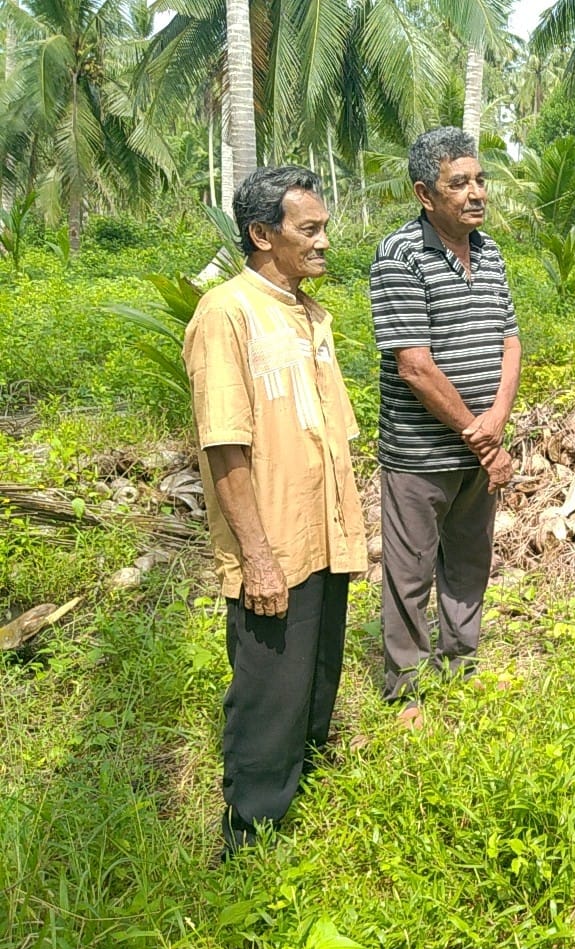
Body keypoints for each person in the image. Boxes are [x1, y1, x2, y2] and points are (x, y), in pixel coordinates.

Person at [182, 165, 368, 856]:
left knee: (315, 673)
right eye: (309, 229)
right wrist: (257, 555)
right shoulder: (227, 314)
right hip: (273, 542)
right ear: (263, 234)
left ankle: (304, 788)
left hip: (323, 531)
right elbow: (224, 443)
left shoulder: (310, 313)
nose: (324, 242)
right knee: (268, 688)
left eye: (324, 228)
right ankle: (251, 834)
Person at [370, 127, 521, 725]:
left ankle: (461, 661)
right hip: (419, 451)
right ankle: (405, 685)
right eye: (459, 183)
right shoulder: (400, 256)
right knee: (409, 572)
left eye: (479, 179)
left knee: (468, 561)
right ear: (425, 195)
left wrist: (497, 420)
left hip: (479, 448)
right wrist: (478, 432)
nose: (475, 193)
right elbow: (414, 365)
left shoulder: (489, 253)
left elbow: (510, 341)